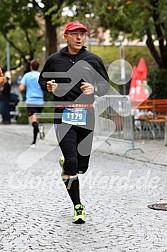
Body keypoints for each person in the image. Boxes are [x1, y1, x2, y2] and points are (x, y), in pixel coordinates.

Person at [39, 21, 110, 224]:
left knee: (82, 166)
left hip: (86, 116)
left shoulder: (93, 59)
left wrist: (94, 89)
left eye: (82, 34)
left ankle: (69, 165)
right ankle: (78, 206)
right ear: (66, 36)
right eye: (74, 34)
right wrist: (49, 85)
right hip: (64, 115)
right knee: (71, 163)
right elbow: (43, 81)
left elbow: (105, 85)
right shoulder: (54, 59)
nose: (79, 37)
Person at [19, 60, 44, 148]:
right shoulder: (41, 75)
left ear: (30, 67)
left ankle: (36, 137)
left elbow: (21, 88)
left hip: (31, 101)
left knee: (32, 121)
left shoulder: (27, 75)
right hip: (40, 101)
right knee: (36, 120)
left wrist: (26, 88)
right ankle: (34, 141)